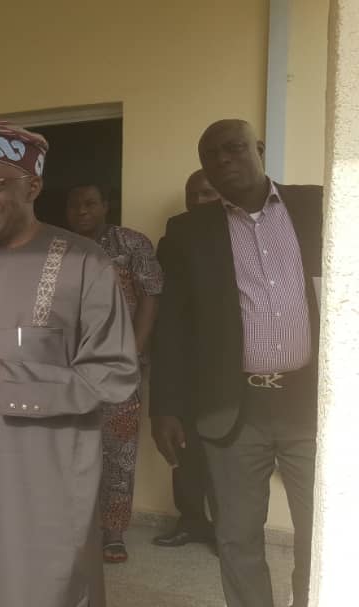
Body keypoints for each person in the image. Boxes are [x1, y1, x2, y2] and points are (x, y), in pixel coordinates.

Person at [0, 124, 139, 606]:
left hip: (52, 485)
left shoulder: (86, 263)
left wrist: (9, 377)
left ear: (33, 186)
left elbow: (114, 374)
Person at [152, 119, 322, 607]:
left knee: (323, 528)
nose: (223, 160)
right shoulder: (188, 232)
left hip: (311, 404)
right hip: (231, 408)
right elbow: (173, 327)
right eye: (211, 155)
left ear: (258, 148)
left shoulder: (317, 205)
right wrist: (165, 406)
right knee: (236, 536)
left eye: (233, 148)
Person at [66, 182, 163, 563]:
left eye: (90, 203)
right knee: (70, 449)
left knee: (119, 452)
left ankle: (113, 532)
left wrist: (134, 351)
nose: (82, 211)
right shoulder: (58, 247)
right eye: (74, 205)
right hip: (69, 369)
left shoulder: (131, 243)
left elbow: (151, 295)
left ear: (106, 205)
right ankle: (76, 529)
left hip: (120, 368)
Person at [151, 169, 221, 550]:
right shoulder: (176, 233)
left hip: (230, 366)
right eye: (192, 195)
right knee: (183, 446)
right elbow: (168, 307)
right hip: (186, 363)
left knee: (228, 456)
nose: (197, 201)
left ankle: (227, 530)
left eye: (207, 194)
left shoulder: (241, 234)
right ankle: (191, 520)